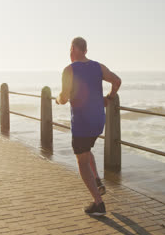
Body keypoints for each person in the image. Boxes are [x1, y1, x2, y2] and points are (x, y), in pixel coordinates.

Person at [56, 37, 122, 216]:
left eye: (70, 49)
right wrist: (109, 97)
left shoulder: (68, 70)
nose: (69, 53)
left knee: (81, 160)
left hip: (82, 123)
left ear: (74, 49)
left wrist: (58, 99)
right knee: (86, 150)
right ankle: (98, 181)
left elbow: (64, 96)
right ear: (86, 50)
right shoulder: (98, 67)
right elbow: (117, 81)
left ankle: (98, 204)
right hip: (98, 121)